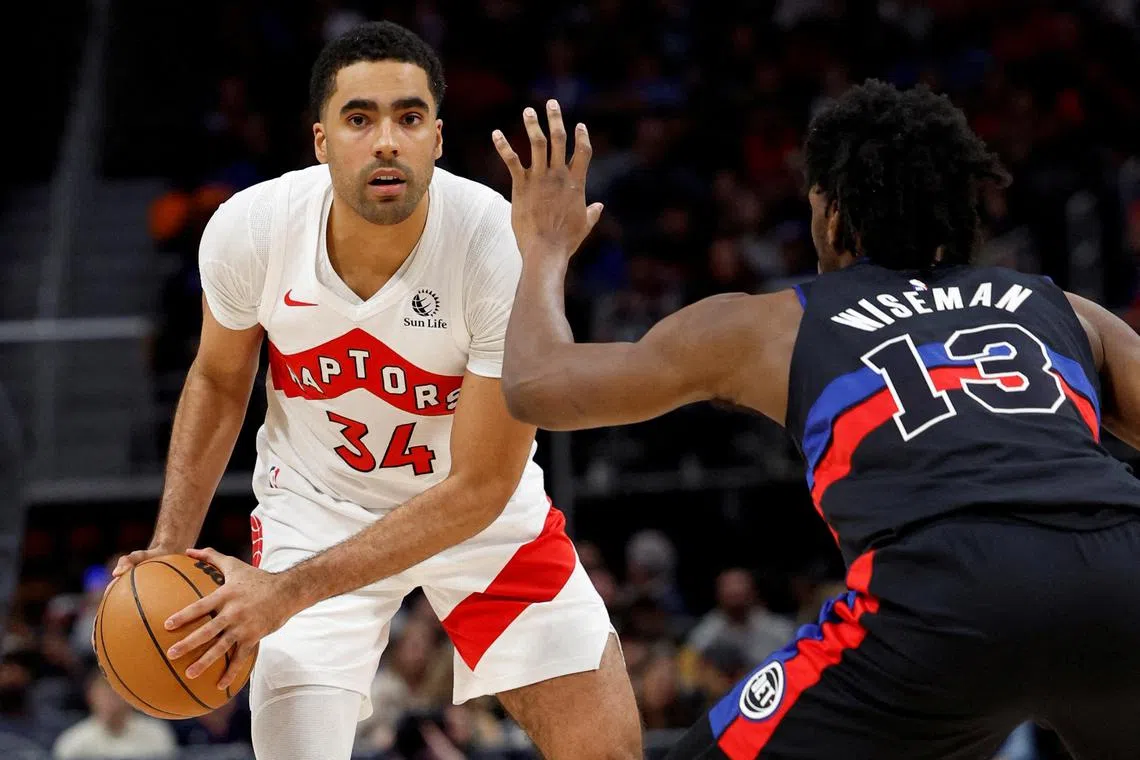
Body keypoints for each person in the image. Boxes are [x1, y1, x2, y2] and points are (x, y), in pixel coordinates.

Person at [492, 83, 1140, 759]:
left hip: (944, 594)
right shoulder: (1059, 307)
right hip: (1122, 569)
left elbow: (537, 384)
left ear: (832, 217)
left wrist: (543, 247)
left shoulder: (775, 323)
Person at [111, 21, 639, 760]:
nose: (386, 139)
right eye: (360, 118)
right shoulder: (251, 230)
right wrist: (168, 547)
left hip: (478, 521)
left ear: (438, 138)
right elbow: (220, 378)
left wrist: (284, 593)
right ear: (321, 140)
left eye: (409, 117)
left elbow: (482, 486)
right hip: (318, 511)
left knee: (605, 751)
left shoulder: (496, 246)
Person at [52, 671, 176, 760]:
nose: (111, 699)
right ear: (90, 697)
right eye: (104, 693)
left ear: (131, 696)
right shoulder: (73, 743)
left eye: (116, 693)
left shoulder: (157, 734)